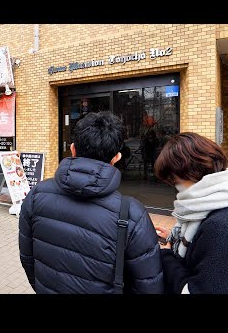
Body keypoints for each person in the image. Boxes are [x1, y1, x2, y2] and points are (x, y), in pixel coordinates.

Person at [19, 111, 163, 294]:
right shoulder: (131, 214)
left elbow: (27, 258)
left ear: (72, 149)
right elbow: (149, 285)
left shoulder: (37, 195)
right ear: (116, 158)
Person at [154, 132, 228, 294]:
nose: (175, 187)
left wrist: (166, 255)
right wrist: (173, 239)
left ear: (191, 171)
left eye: (174, 180)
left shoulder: (220, 227)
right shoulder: (212, 205)